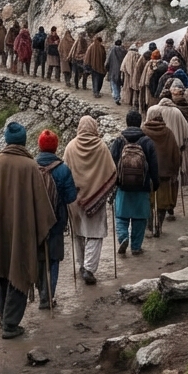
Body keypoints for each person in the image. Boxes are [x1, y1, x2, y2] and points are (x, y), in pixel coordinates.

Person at [0, 122, 56, 338]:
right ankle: (10, 323)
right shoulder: (30, 167)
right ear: (23, 141)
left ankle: (5, 318)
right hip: (22, 232)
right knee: (19, 270)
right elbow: (42, 207)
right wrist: (44, 230)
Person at [64, 116, 117, 285]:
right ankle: (89, 268)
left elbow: (65, 171)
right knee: (95, 233)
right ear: (94, 127)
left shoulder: (71, 147)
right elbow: (112, 171)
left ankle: (81, 265)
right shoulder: (101, 146)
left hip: (75, 199)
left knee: (78, 233)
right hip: (97, 199)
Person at [34, 130, 78, 309]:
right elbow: (70, 197)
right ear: (55, 147)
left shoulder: (31, 167)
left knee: (38, 258)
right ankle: (48, 295)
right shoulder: (63, 169)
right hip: (56, 223)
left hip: (35, 224)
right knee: (53, 259)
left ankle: (40, 292)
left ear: (39, 146)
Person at [109, 110, 159, 255]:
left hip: (123, 186)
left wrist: (114, 183)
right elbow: (154, 165)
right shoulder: (147, 141)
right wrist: (155, 183)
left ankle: (123, 237)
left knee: (121, 216)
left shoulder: (119, 141)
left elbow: (112, 163)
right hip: (142, 186)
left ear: (127, 122)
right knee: (140, 218)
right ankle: (136, 247)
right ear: (140, 123)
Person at [139, 106, 182, 232]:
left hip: (147, 175)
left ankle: (150, 225)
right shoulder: (168, 132)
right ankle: (159, 226)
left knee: (149, 201)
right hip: (165, 174)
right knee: (162, 203)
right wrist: (175, 171)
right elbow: (176, 153)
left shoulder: (143, 131)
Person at [120, 42, 143, 108]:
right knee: (134, 88)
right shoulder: (138, 55)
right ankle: (134, 101)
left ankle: (128, 100)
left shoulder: (128, 55)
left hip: (127, 75)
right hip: (135, 75)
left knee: (127, 87)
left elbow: (123, 66)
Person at [85, 33, 108, 97]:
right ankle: (97, 91)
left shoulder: (91, 47)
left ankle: (95, 91)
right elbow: (104, 57)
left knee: (94, 79)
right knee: (99, 79)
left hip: (93, 66)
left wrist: (87, 64)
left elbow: (87, 56)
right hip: (100, 67)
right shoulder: (101, 47)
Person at [106, 38, 128, 105]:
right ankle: (118, 96)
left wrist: (107, 68)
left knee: (114, 84)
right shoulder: (124, 51)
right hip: (121, 71)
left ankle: (116, 97)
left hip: (113, 70)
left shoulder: (112, 51)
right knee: (119, 84)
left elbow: (107, 61)